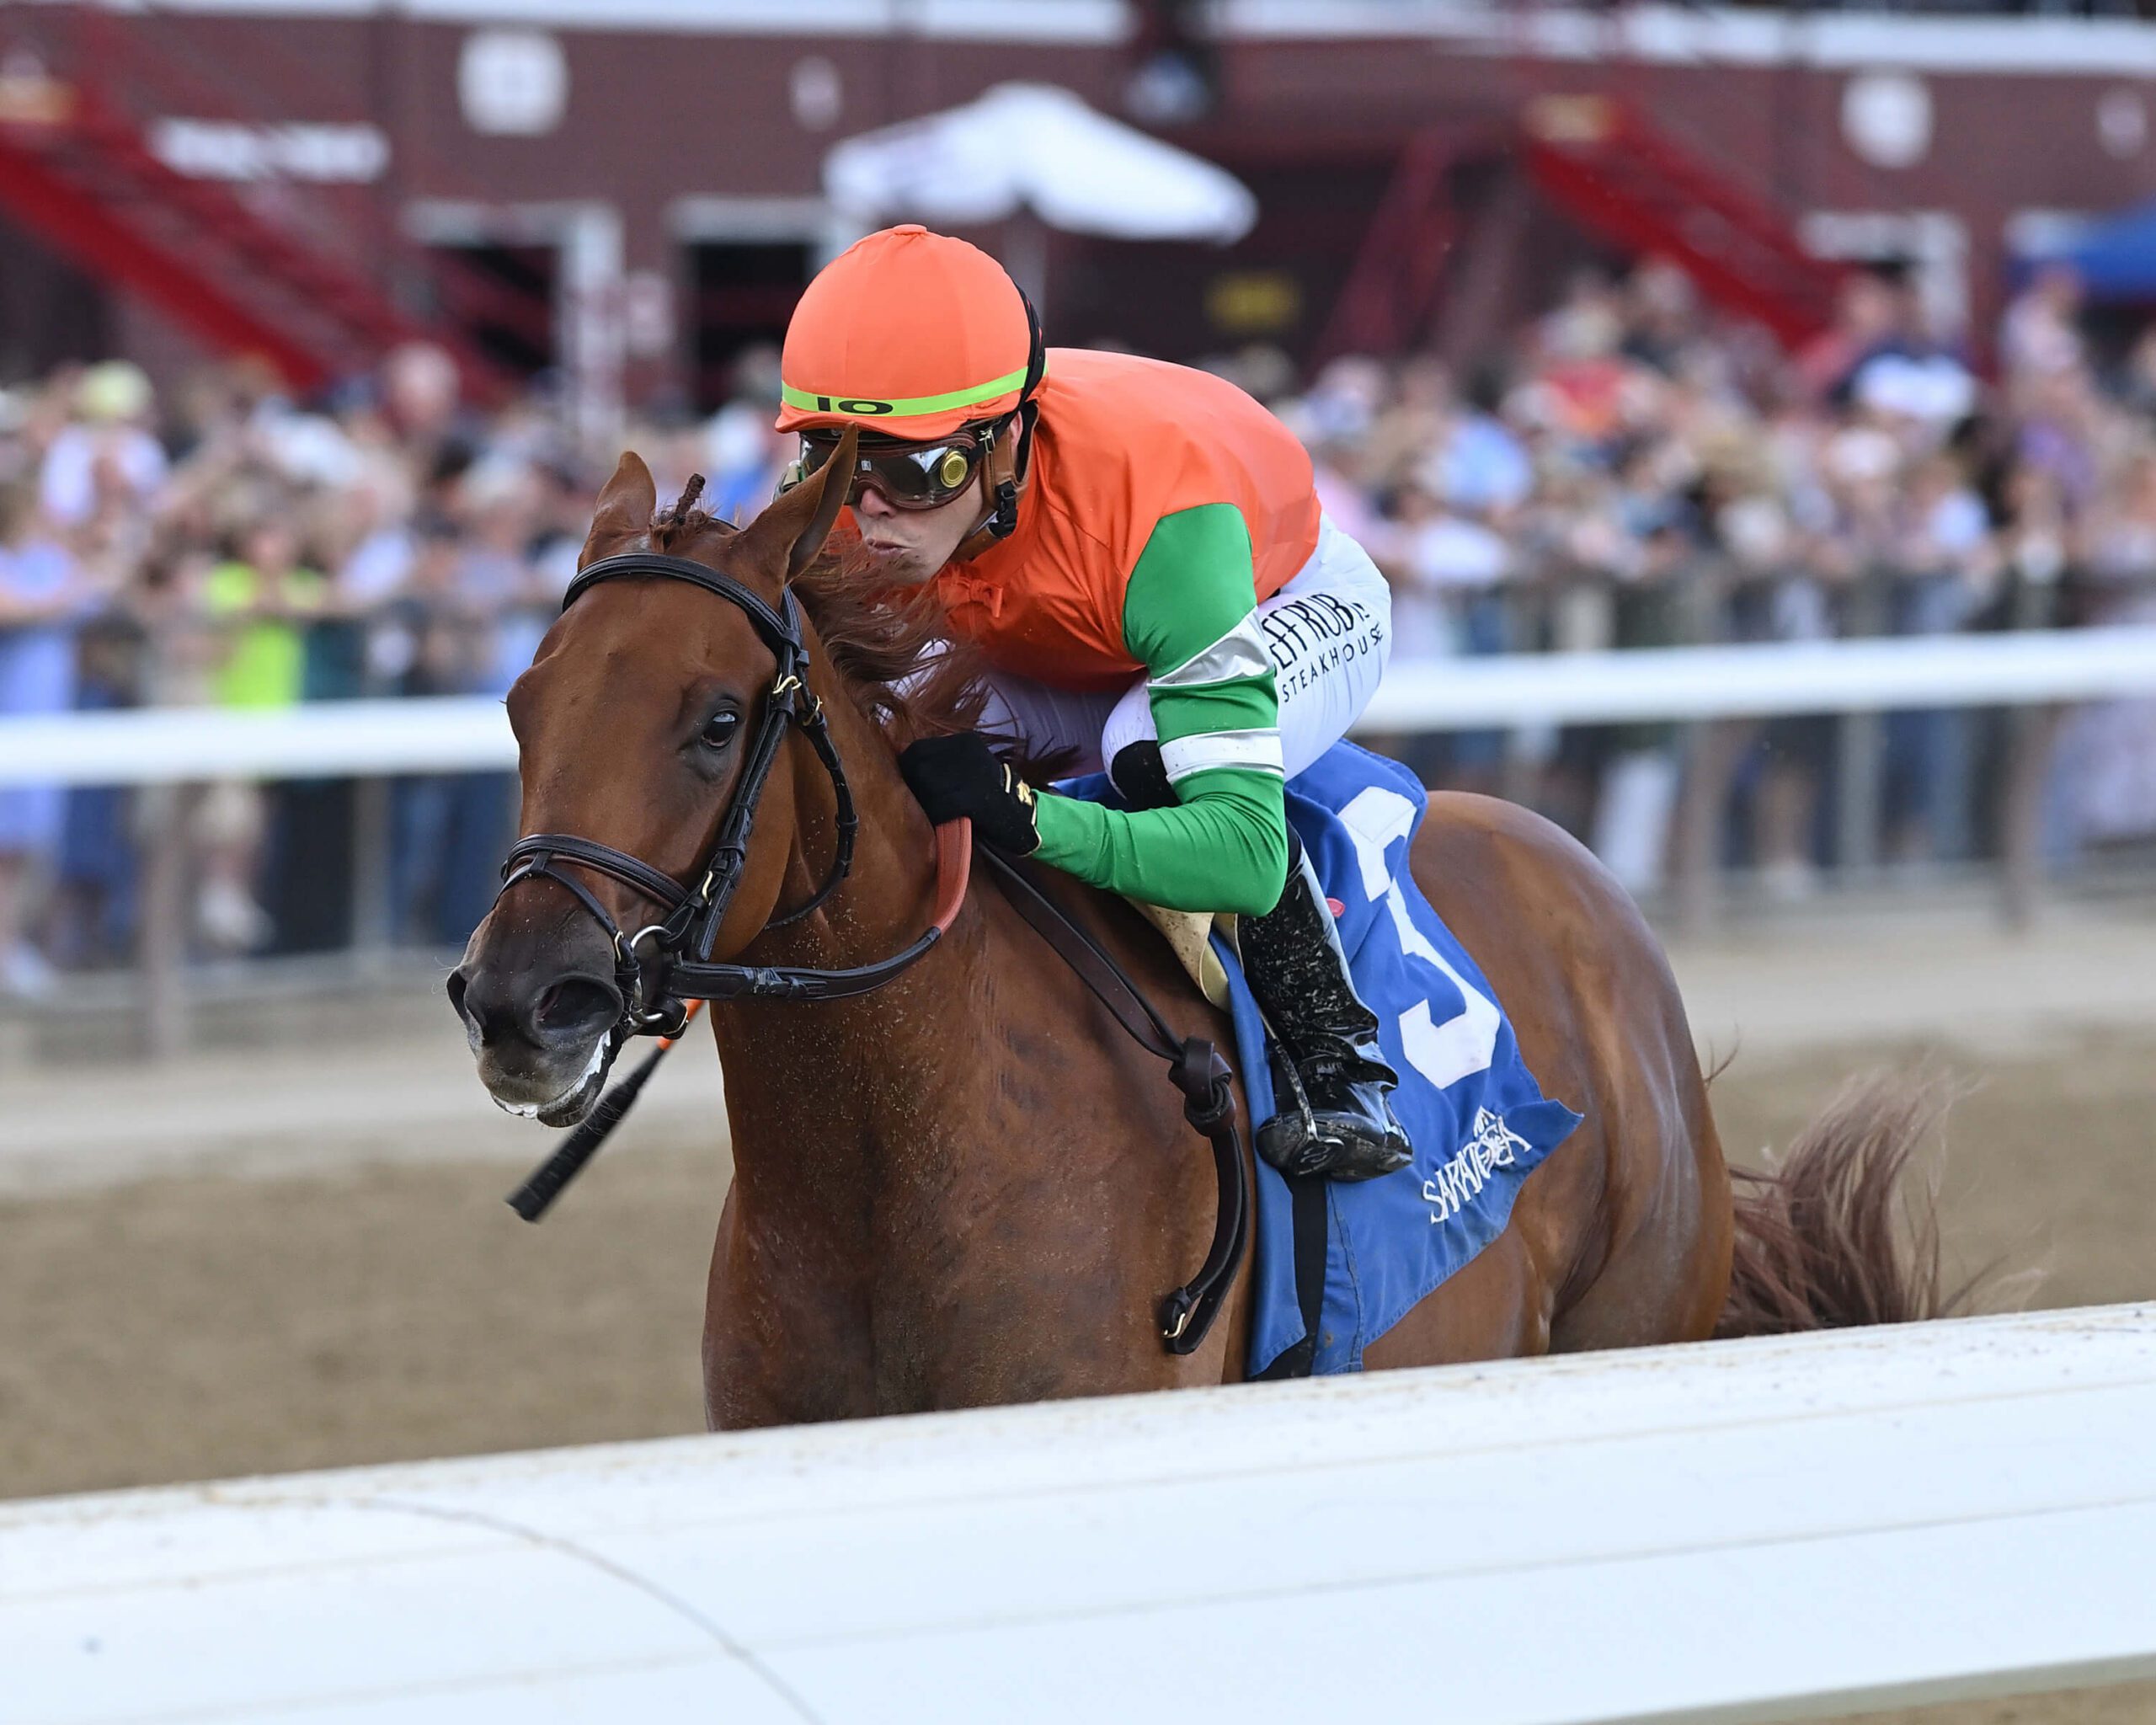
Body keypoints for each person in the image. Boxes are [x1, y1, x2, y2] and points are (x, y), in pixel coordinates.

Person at [773, 226, 1407, 1180]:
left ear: (1007, 439)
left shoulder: (1164, 512)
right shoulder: (865, 500)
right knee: (879, 736)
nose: (867, 512)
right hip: (1066, 634)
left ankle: (1339, 1062)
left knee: (1141, 742)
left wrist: (1028, 817)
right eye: (833, 461)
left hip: (1284, 595)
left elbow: (1241, 853)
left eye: (913, 470)